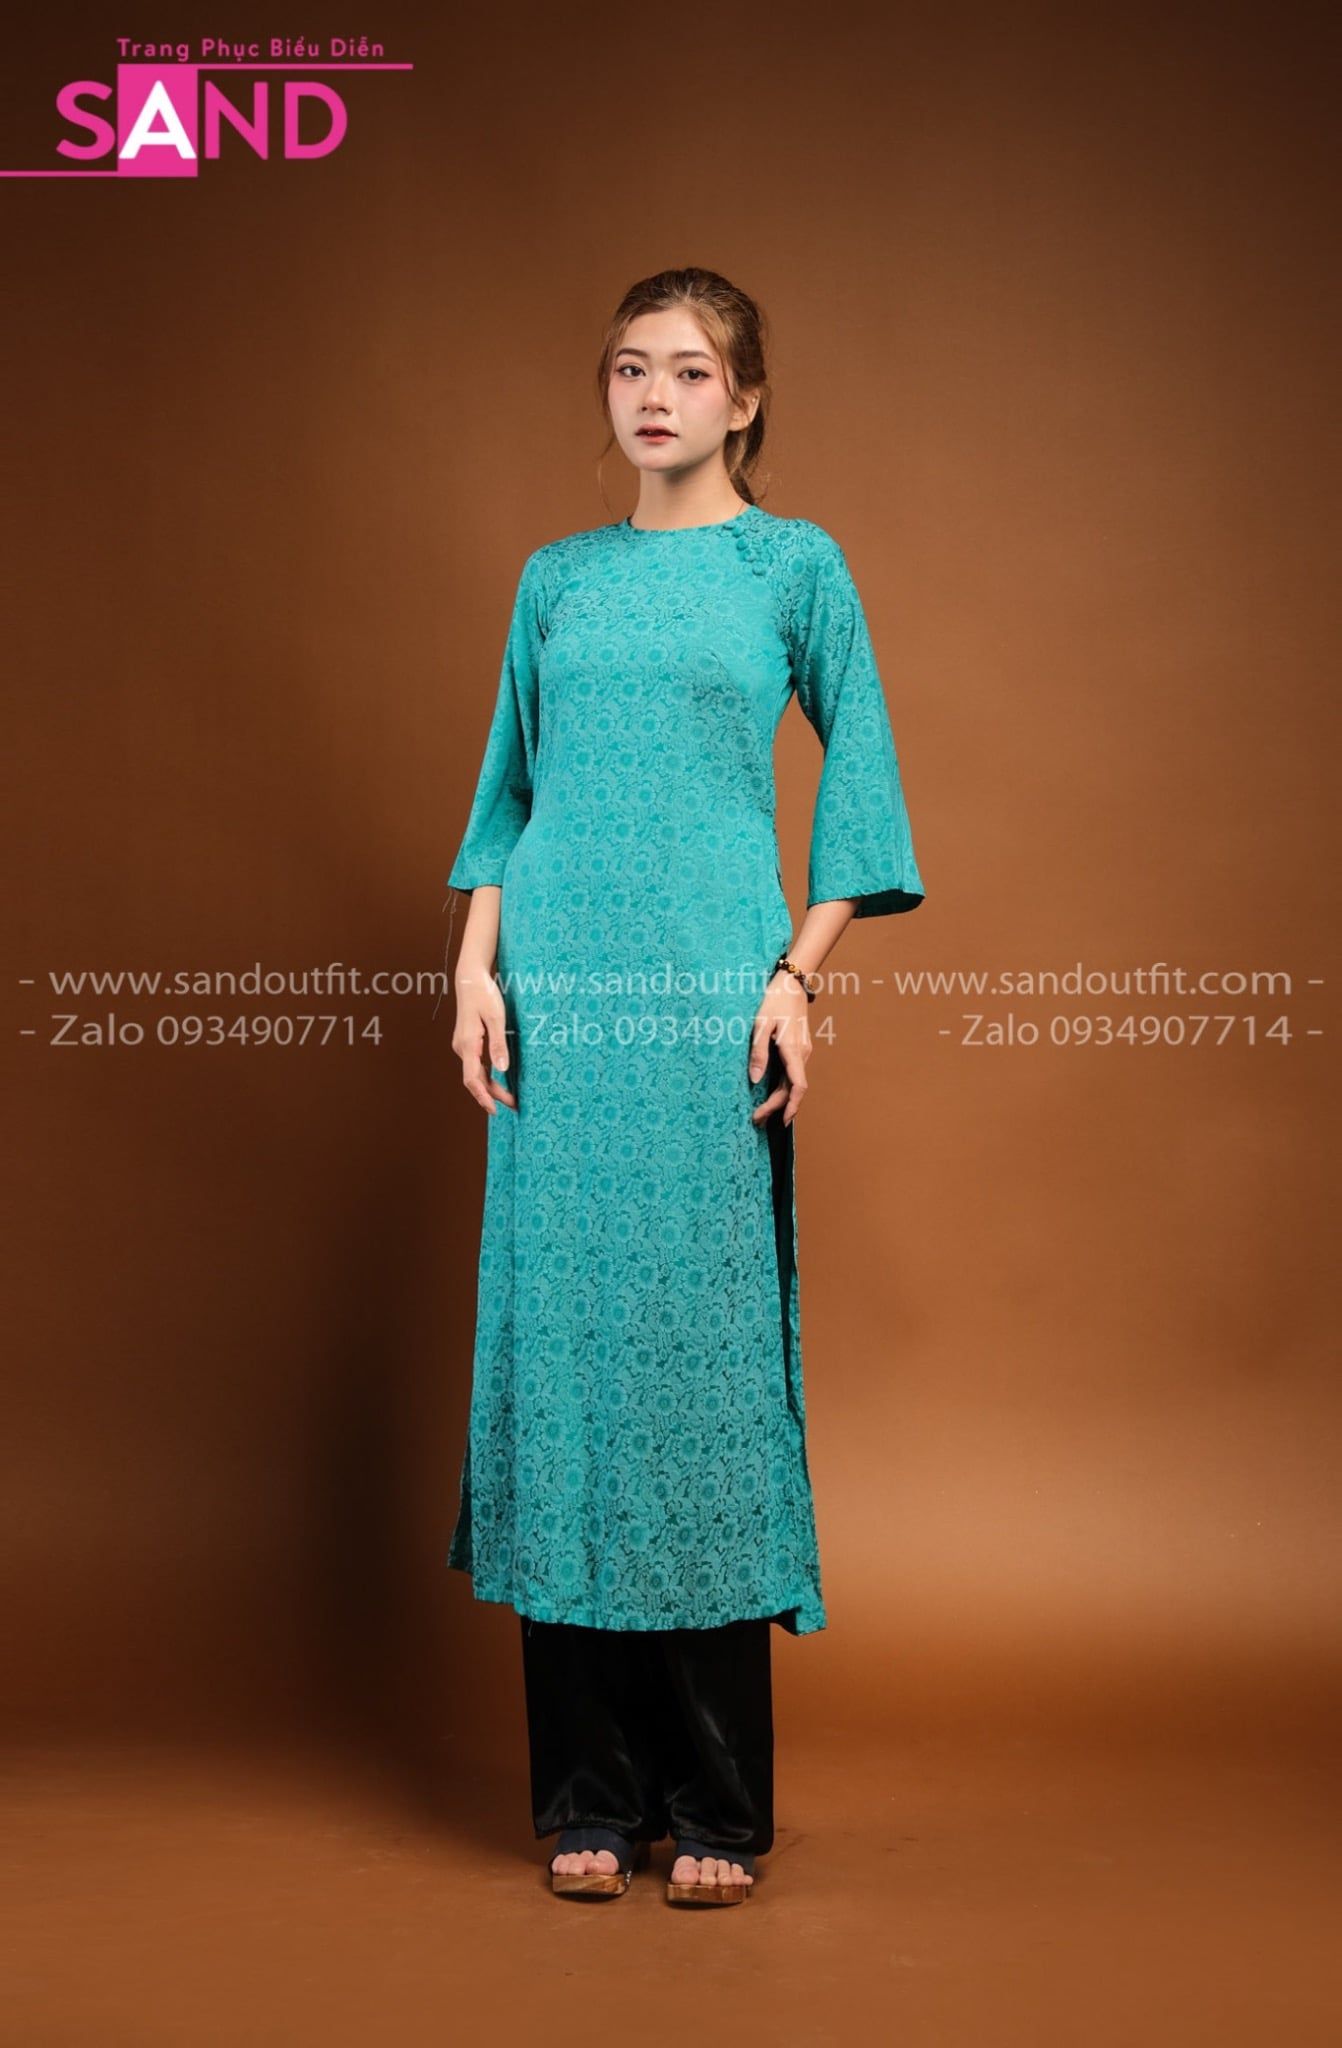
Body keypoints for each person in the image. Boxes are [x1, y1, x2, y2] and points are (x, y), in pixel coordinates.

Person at [446, 267, 926, 1905]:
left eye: (692, 370)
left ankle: (714, 1802)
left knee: (702, 1377)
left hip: (710, 1005)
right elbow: (507, 792)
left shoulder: (793, 567)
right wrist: (472, 969)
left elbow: (863, 778)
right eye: (630, 368)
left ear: (746, 398)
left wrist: (796, 976)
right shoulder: (557, 578)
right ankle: (589, 1793)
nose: (656, 396)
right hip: (557, 1006)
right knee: (570, 1365)